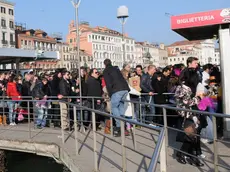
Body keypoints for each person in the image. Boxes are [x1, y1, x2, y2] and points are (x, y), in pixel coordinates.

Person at [103, 59, 130, 137]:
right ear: (111, 63)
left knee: (114, 107)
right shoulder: (116, 68)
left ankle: (119, 127)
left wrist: (111, 94)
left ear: (104, 64)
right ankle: (124, 127)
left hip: (117, 90)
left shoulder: (106, 71)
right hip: (125, 89)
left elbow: (108, 83)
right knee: (121, 107)